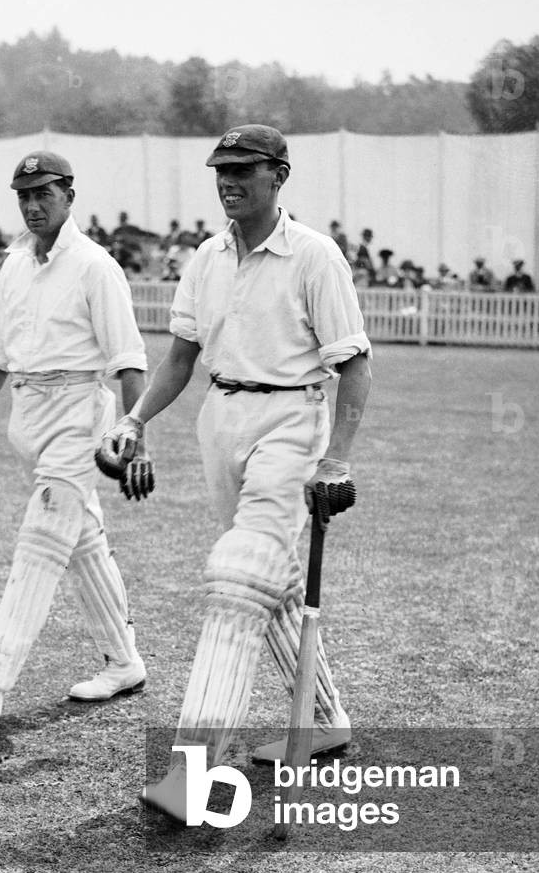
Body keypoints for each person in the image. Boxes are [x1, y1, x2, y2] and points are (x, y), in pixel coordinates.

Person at [96, 124, 371, 821]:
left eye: (244, 169)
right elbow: (180, 357)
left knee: (235, 583)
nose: (228, 180)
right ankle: (325, 720)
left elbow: (352, 364)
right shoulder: (206, 257)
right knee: (266, 587)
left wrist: (335, 456)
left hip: (290, 422)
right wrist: (135, 421)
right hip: (220, 422)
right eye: (221, 169)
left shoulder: (314, 256)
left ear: (279, 175)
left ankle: (192, 774)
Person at [0, 150, 149, 728]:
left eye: (44, 195)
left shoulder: (95, 266)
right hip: (28, 415)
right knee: (79, 538)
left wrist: (135, 432)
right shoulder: (14, 264)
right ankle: (124, 661)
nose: (33, 206)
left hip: (80, 414)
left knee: (39, 541)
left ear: (69, 197)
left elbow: (130, 360)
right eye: (25, 196)